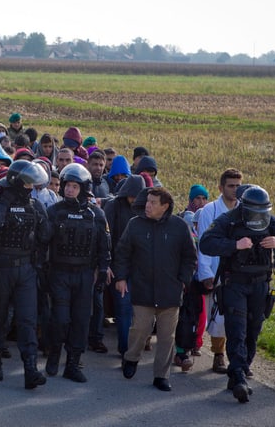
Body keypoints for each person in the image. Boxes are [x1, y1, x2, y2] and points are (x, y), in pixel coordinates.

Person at [199, 186, 275, 403]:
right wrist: (234, 245)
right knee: (237, 329)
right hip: (235, 283)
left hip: (260, 285)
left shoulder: (271, 222)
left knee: (253, 330)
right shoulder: (229, 220)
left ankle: (240, 371)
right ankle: (238, 377)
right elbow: (206, 242)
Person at [115, 187, 196, 392]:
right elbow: (123, 252)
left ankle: (161, 375)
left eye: (153, 202)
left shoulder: (179, 226)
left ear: (165, 206)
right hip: (142, 289)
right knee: (140, 329)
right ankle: (131, 358)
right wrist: (121, 278)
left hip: (170, 292)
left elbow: (190, 257)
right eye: (147, 201)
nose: (147, 205)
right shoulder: (135, 225)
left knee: (167, 336)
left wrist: (183, 280)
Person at [0, 160, 49, 390]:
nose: (31, 187)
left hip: (26, 270)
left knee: (27, 319)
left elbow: (45, 235)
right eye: (27, 182)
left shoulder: (35, 206)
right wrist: (4, 202)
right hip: (0, 268)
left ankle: (30, 369)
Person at [41, 163, 111, 383]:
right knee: (60, 319)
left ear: (84, 188)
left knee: (81, 320)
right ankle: (54, 354)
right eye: (67, 186)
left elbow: (104, 247)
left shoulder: (96, 214)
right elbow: (42, 242)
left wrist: (101, 273)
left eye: (74, 186)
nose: (70, 190)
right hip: (60, 273)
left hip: (84, 275)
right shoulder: (54, 212)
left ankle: (72, 363)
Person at [196, 168, 242, 374]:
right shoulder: (210, 211)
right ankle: (218, 354)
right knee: (219, 316)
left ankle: (241, 359)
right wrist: (206, 274)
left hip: (241, 272)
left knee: (240, 316)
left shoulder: (246, 210)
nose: (235, 190)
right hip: (217, 270)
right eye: (231, 186)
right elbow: (203, 245)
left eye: (238, 186)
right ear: (221, 187)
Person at [103, 174, 146, 355]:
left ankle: (135, 346)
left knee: (141, 312)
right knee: (123, 308)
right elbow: (106, 237)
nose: (134, 199)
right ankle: (124, 348)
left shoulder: (145, 209)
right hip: (117, 266)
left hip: (139, 268)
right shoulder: (113, 206)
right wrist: (107, 264)